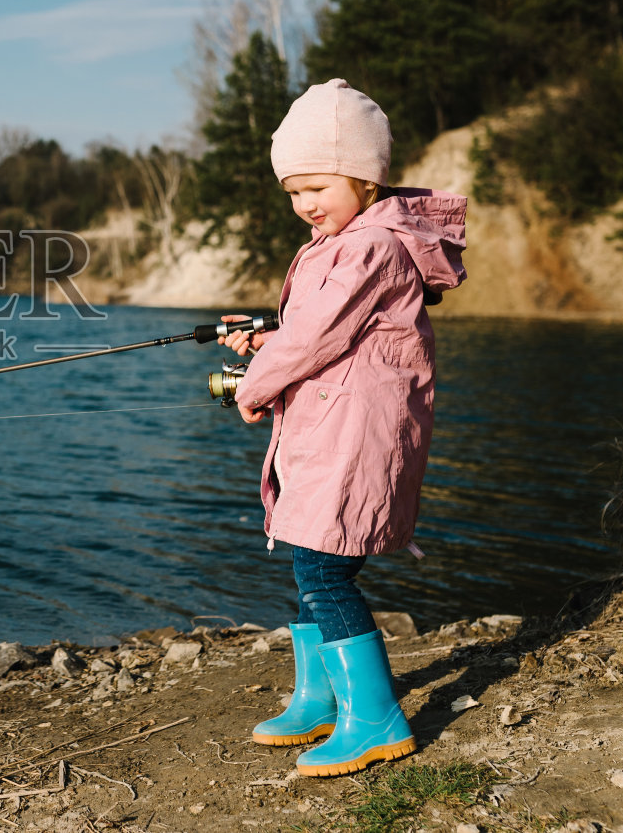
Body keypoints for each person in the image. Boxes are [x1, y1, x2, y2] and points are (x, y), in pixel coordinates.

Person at [217, 78, 467, 778]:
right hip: (333, 425)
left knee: (325, 570)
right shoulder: (353, 239)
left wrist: (257, 385)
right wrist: (270, 341)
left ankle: (377, 719)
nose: (304, 204)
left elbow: (317, 337)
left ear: (363, 175)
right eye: (293, 191)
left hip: (355, 435)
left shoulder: (369, 247)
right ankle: (320, 696)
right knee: (308, 556)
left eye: (317, 187)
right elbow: (323, 334)